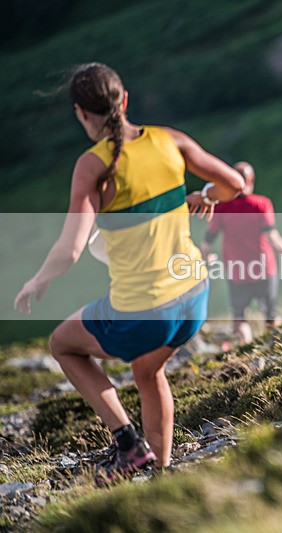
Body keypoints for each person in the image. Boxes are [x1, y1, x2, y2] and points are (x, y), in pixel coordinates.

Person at [14, 63, 245, 482]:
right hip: (194, 298)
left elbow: (69, 249)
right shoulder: (169, 140)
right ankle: (159, 468)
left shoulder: (93, 164)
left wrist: (38, 280)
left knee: (63, 344)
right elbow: (234, 183)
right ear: (124, 100)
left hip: (146, 310)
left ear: (81, 114)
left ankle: (127, 443)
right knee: (147, 370)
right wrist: (203, 194)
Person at [201, 161, 282, 344]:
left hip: (238, 272)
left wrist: (206, 258)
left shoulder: (222, 207)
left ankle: (247, 349)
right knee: (270, 316)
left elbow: (206, 243)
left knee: (239, 319)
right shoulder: (261, 204)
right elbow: (274, 239)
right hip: (264, 270)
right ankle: (272, 350)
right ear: (251, 182)